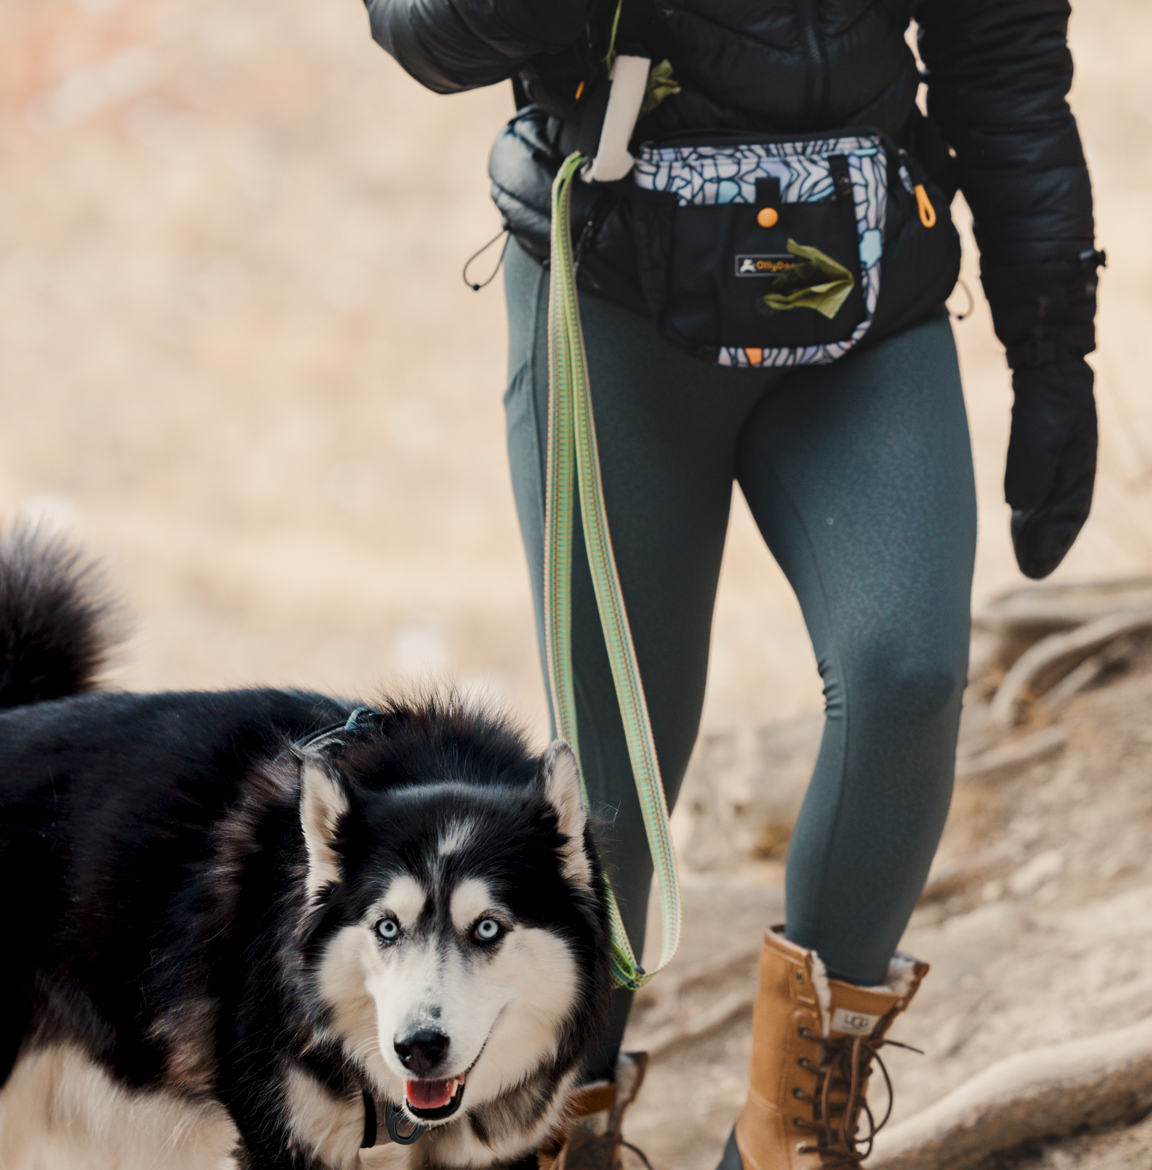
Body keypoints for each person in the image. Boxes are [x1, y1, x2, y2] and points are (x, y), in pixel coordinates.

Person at [362, 1, 1102, 1166]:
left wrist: (1054, 342)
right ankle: (552, 1121)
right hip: (614, 298)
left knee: (906, 675)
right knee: (616, 788)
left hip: (864, 289)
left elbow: (999, 47)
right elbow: (418, 33)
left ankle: (789, 1133)